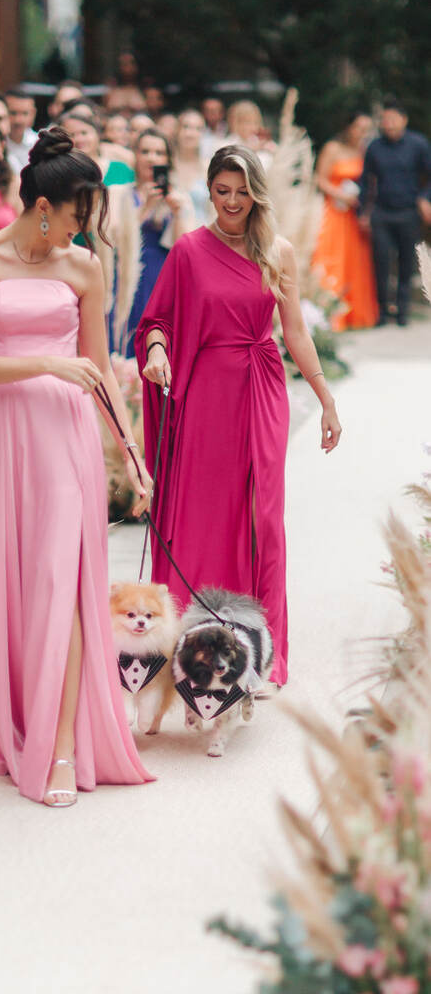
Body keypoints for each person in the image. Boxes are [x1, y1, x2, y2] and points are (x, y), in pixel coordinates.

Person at [0, 127, 154, 806]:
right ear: (43, 206)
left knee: (59, 581)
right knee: (2, 577)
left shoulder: (83, 268)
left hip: (63, 439)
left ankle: (62, 746)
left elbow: (99, 370)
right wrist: (45, 360)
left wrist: (132, 455)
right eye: (79, 213)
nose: (86, 226)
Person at [135, 144, 342, 687]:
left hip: (260, 386)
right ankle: (188, 647)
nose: (231, 201)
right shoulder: (188, 251)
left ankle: (262, 655)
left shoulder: (278, 251)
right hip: (204, 395)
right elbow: (157, 320)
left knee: (261, 518)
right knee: (202, 513)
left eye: (242, 190)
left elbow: (294, 330)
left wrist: (325, 397)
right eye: (221, 190)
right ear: (209, 190)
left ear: (257, 192)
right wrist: (157, 350)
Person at [109, 128, 194, 357]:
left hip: (162, 274)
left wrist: (176, 213)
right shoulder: (119, 193)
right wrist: (144, 209)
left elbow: (184, 248)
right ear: (135, 155)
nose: (151, 158)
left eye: (159, 152)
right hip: (126, 273)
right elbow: (114, 240)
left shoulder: (179, 196)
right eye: (145, 151)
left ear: (167, 159)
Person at [359, 98, 431, 327]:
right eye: (385, 119)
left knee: (406, 262)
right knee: (380, 260)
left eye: (393, 119)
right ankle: (382, 310)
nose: (388, 124)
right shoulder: (374, 147)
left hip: (409, 211)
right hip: (382, 212)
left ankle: (403, 310)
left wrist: (424, 199)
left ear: (404, 120)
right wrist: (363, 211)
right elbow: (365, 181)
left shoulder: (418, 144)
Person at [312, 112, 378, 331]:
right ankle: (331, 313)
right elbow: (319, 179)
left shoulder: (365, 151)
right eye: (359, 127)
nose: (363, 133)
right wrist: (341, 196)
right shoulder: (333, 148)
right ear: (349, 127)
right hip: (334, 211)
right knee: (333, 257)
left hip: (354, 215)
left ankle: (355, 313)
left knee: (355, 260)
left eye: (367, 129)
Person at [60, 111, 134, 186]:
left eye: (84, 133)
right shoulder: (62, 174)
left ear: (98, 134)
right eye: (72, 135)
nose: (79, 139)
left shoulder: (120, 169)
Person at [173, 108, 210, 226]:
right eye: (186, 127)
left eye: (198, 129)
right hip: (169, 238)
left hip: (202, 236)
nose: (190, 133)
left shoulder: (210, 167)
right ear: (177, 130)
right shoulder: (167, 165)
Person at [226, 101, 275, 170]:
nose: (252, 127)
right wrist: (251, 150)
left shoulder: (261, 141)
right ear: (234, 122)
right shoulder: (228, 143)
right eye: (246, 122)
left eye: (255, 122)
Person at [5, 87, 38, 170]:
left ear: (33, 114)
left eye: (24, 113)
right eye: (13, 113)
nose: (18, 120)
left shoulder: (39, 143)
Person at [200, 96, 228, 163]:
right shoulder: (199, 131)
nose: (211, 114)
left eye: (214, 110)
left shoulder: (230, 130)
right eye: (207, 110)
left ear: (222, 113)